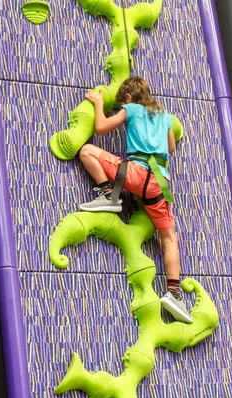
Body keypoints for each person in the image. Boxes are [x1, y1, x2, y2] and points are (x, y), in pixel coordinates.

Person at [78, 76, 193, 324]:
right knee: (169, 238)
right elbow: (171, 149)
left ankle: (109, 194)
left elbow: (101, 127)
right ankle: (174, 293)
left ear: (128, 98)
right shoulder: (164, 116)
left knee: (87, 151)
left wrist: (99, 103)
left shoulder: (130, 109)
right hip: (159, 184)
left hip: (136, 174)